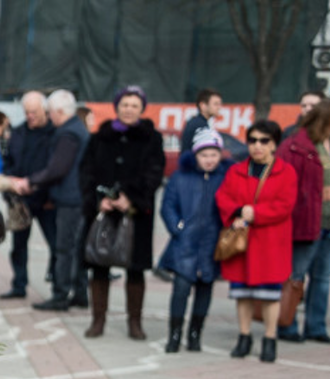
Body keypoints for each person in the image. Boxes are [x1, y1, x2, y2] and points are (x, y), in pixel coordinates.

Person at [78, 85, 165, 340]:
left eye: (134, 105)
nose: (129, 110)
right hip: (104, 212)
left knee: (135, 269)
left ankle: (134, 323)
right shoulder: (100, 137)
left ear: (142, 109)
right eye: (125, 105)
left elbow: (155, 172)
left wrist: (132, 198)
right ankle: (98, 321)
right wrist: (98, 200)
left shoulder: (151, 138)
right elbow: (86, 171)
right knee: (99, 266)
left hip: (136, 213)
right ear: (117, 107)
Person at [217, 120, 298, 362]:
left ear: (274, 144)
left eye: (264, 141)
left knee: (270, 294)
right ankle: (244, 336)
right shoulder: (236, 170)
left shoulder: (286, 172)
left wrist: (255, 213)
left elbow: (285, 205)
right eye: (252, 140)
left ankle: (270, 338)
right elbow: (223, 197)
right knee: (242, 293)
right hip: (242, 242)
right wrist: (237, 212)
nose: (257, 146)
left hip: (270, 243)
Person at [14, 89, 91, 312]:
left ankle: (61, 294)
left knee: (64, 248)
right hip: (75, 197)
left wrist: (30, 181)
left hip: (70, 199)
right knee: (74, 247)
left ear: (59, 111)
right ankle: (79, 292)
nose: (49, 116)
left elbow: (57, 168)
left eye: (49, 112)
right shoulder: (76, 129)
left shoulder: (68, 133)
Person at [158, 127, 233, 353]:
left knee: (205, 290)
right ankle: (174, 334)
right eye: (204, 155)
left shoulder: (225, 178)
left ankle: (195, 334)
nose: (209, 160)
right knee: (180, 289)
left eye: (213, 155)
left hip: (211, 243)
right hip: (185, 244)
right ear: (195, 155)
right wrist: (178, 227)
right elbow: (168, 206)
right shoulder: (181, 177)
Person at [275, 100, 330, 343]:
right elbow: (282, 183)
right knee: (296, 275)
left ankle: (316, 327)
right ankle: (286, 325)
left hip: (328, 222)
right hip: (306, 221)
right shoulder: (295, 146)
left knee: (323, 278)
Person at [1, 90, 56, 299]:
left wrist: (43, 190)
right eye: (27, 112)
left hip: (46, 199)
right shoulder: (18, 132)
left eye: (34, 112)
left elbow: (55, 168)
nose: (30, 116)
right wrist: (11, 182)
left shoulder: (55, 133)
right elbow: (7, 161)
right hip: (20, 198)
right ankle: (19, 285)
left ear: (45, 110)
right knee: (18, 245)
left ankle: (57, 286)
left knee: (55, 244)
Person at [180, 88, 222, 154]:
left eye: (220, 104)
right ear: (203, 106)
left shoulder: (196, 122)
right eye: (215, 104)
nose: (219, 107)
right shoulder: (200, 126)